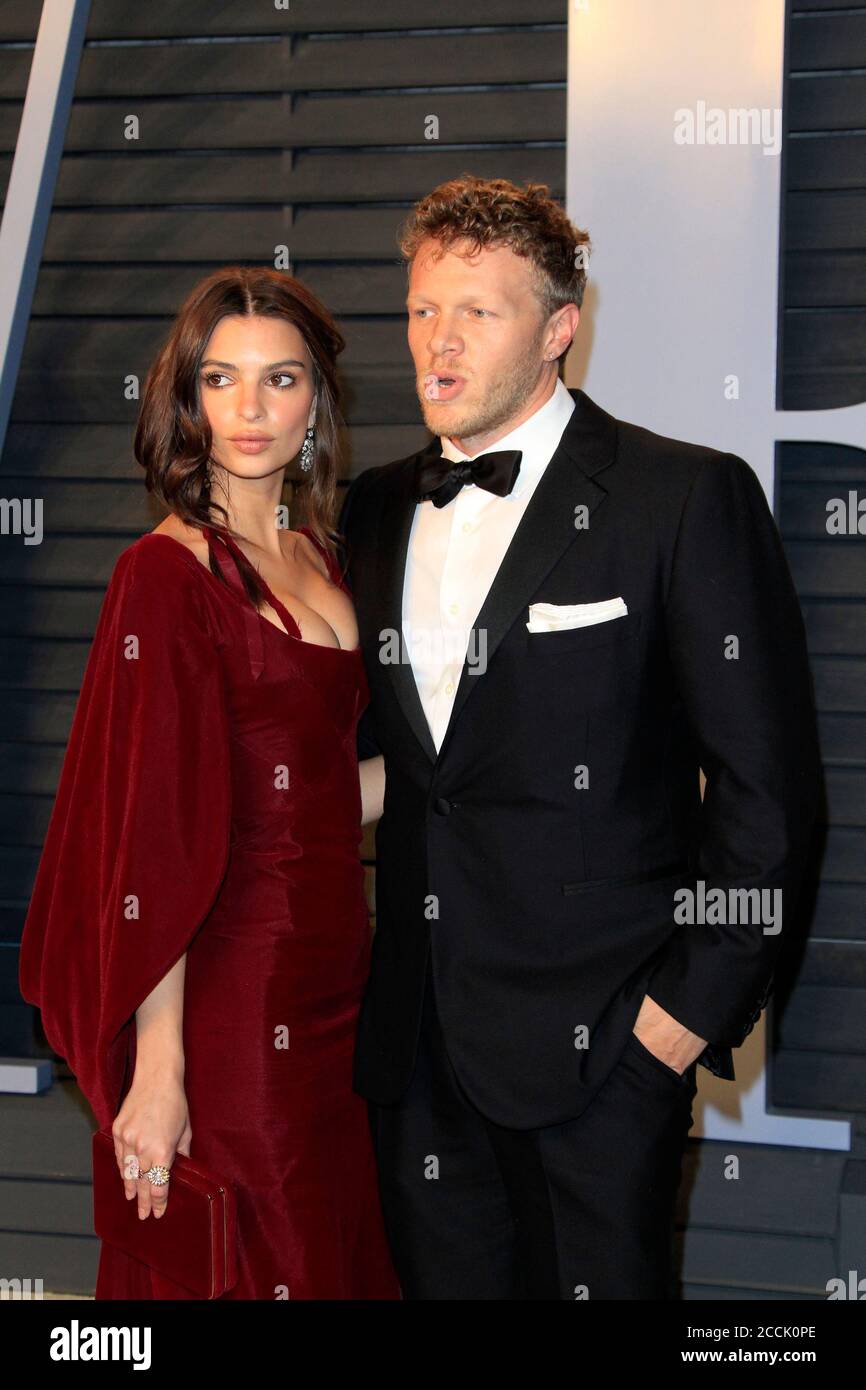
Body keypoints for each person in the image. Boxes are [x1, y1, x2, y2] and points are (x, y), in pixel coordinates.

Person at [337, 175, 822, 1299]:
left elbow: (766, 794)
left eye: (476, 312)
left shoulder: (679, 496)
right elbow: (402, 772)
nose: (435, 342)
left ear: (559, 328)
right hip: (415, 1050)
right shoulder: (372, 508)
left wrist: (680, 1020)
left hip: (603, 1049)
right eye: (419, 309)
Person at [19, 266, 400, 1301]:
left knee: (328, 1245)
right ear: (184, 400)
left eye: (279, 380)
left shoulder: (327, 556)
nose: (249, 408)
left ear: (315, 401)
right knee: (255, 1253)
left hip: (336, 983)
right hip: (229, 991)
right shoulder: (164, 573)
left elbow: (317, 798)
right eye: (220, 379)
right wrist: (161, 1065)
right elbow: (155, 842)